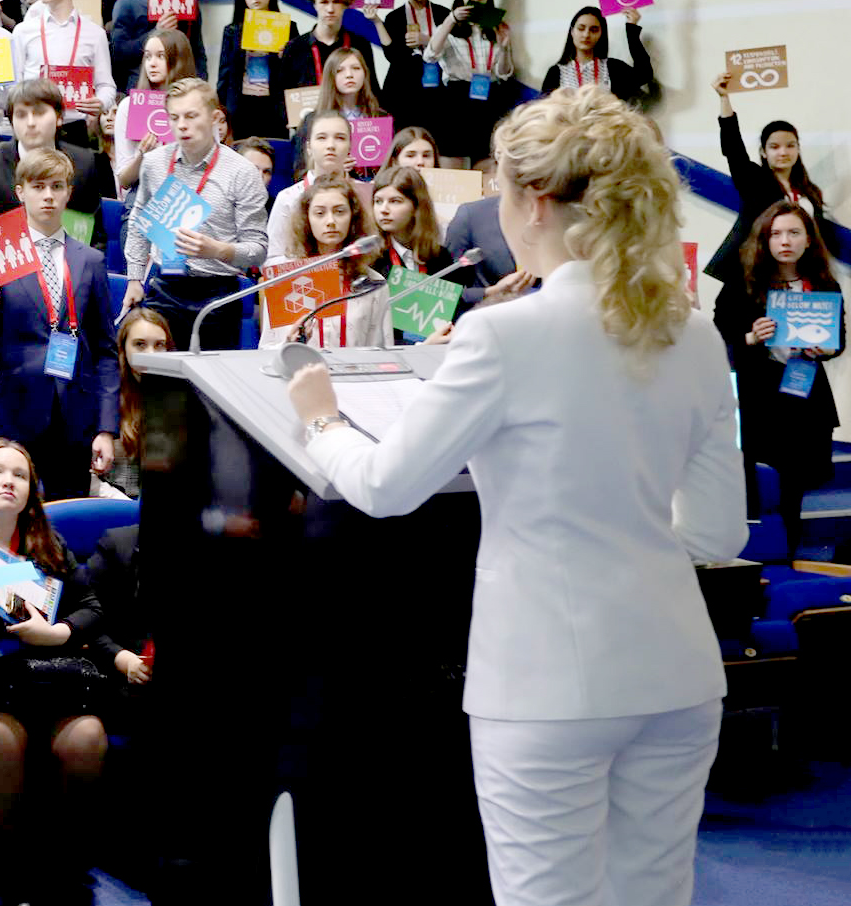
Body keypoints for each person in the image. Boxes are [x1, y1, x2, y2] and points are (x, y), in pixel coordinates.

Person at [286, 84, 747, 906]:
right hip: (677, 670)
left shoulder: (502, 333)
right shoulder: (697, 334)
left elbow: (384, 486)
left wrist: (322, 421)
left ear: (533, 201)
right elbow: (716, 533)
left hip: (545, 680)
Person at [0, 439, 106, 905]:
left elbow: (91, 608)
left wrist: (56, 633)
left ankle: (64, 869)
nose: (8, 481)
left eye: (19, 475)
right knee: (2, 739)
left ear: (29, 492)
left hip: (40, 675)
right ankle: (13, 874)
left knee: (87, 737)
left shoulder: (48, 546)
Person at [0, 149, 119, 501]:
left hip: (76, 417)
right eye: (38, 187)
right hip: (14, 414)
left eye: (56, 186)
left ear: (69, 192)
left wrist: (105, 428)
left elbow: (105, 351)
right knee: (10, 518)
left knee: (66, 520)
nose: (48, 196)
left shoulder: (91, 261)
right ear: (20, 192)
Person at [714, 201, 843, 557]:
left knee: (795, 489)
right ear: (764, 239)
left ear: (808, 240)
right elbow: (717, 335)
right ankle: (752, 558)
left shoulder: (825, 285)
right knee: (754, 487)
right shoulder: (743, 282)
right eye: (776, 233)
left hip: (805, 396)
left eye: (794, 233)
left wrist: (826, 349)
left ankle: (787, 556)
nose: (785, 241)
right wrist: (750, 337)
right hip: (758, 398)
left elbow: (839, 340)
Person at [125, 78, 270, 350]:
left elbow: (259, 249)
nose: (182, 125)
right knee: (159, 374)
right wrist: (134, 278)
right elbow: (138, 222)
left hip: (217, 294)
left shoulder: (242, 172)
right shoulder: (154, 163)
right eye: (174, 117)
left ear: (214, 118)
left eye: (191, 116)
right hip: (164, 286)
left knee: (209, 377)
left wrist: (218, 250)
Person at [0, 79, 115, 250]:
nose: (30, 122)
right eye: (21, 115)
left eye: (39, 113)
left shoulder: (84, 163)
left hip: (70, 262)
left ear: (59, 118)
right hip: (6, 261)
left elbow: (95, 236)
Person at [704, 76, 822, 284]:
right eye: (774, 147)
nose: (783, 152)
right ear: (763, 152)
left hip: (794, 276)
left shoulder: (810, 191)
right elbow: (733, 148)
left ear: (798, 149)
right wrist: (724, 98)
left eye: (790, 145)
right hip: (752, 273)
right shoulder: (754, 180)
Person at [260, 172, 391, 347]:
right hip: (299, 364)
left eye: (339, 212)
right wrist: (288, 343)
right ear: (307, 219)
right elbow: (266, 350)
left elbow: (382, 352)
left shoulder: (372, 283)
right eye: (320, 213)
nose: (330, 221)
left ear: (353, 217)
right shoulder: (285, 279)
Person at [13, 0, 116, 138]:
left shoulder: (95, 34)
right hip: (33, 124)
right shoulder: (23, 31)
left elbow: (106, 86)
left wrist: (100, 102)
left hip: (76, 126)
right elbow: (15, 84)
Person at [423, 0, 517, 161]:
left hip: (488, 98)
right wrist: (451, 19)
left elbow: (504, 73)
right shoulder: (448, 27)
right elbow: (430, 56)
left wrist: (505, 48)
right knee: (453, 162)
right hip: (457, 99)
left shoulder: (495, 28)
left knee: (486, 162)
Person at [266, 109, 370, 264]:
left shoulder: (365, 193)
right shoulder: (288, 198)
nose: (331, 145)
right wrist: (315, 269)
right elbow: (270, 260)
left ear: (350, 146)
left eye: (340, 138)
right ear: (309, 147)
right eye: (321, 138)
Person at [280, 0, 387, 112]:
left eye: (336, 2)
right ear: (314, 4)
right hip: (310, 123)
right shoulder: (295, 47)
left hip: (352, 122)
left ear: (346, 3)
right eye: (324, 2)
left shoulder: (360, 44)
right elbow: (281, 97)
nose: (330, 9)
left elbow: (372, 90)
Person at [111, 26, 197, 192]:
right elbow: (124, 180)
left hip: (188, 196)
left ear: (178, 60)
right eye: (148, 56)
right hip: (143, 196)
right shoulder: (129, 106)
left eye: (160, 56)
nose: (152, 63)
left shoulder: (198, 109)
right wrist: (142, 156)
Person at [216, 0, 296, 143]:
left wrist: (286, 57)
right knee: (241, 152)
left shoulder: (288, 27)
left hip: (274, 106)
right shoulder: (232, 31)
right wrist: (219, 109)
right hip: (241, 106)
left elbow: (295, 74)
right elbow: (224, 74)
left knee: (274, 151)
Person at [101, 307, 172, 499]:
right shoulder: (105, 398)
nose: (150, 354)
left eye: (159, 345)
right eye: (140, 344)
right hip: (110, 507)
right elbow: (85, 476)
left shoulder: (182, 397)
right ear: (123, 348)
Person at [381, 0, 449, 130]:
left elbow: (453, 49)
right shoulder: (394, 17)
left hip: (436, 88)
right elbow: (392, 56)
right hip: (403, 89)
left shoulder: (444, 14)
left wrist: (427, 40)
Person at [541, 6, 655, 104]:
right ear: (572, 31)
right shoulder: (556, 73)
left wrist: (632, 30)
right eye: (581, 28)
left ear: (601, 34)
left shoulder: (613, 68)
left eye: (594, 30)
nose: (586, 35)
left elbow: (644, 74)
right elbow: (545, 111)